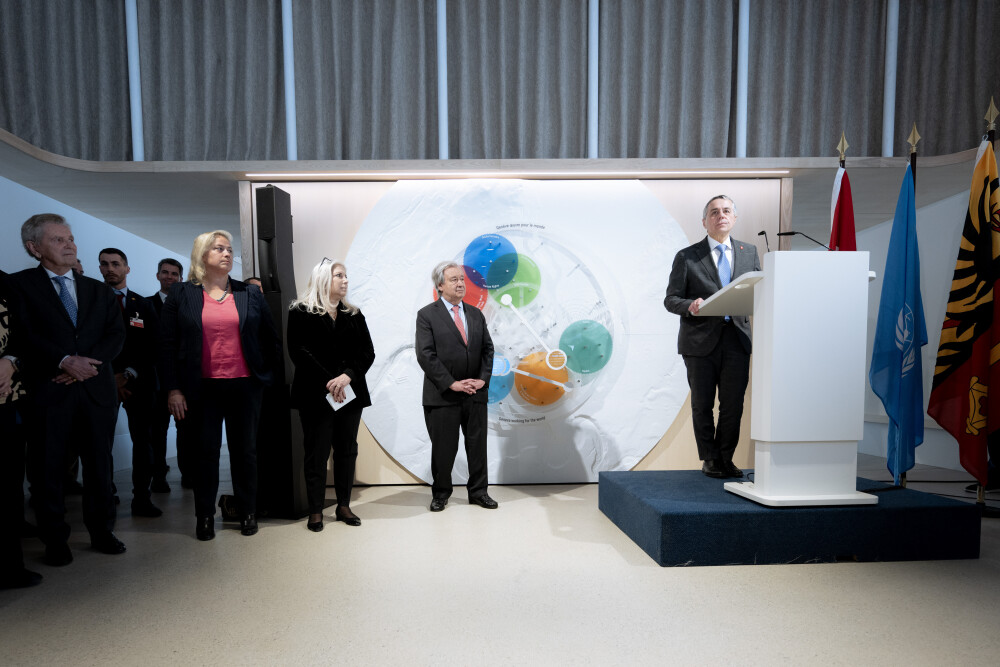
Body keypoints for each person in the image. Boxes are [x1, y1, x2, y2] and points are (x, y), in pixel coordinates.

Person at [9, 214, 126, 565]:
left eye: (70, 238)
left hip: (95, 390)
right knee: (48, 469)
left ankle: (102, 531)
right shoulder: (19, 286)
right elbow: (22, 334)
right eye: (58, 239)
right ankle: (55, 539)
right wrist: (62, 361)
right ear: (34, 248)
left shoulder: (99, 290)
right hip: (48, 391)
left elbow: (116, 334)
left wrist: (84, 366)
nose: (69, 245)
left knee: (99, 466)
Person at [159, 230, 279, 540]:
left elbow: (270, 338)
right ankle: (204, 516)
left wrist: (265, 377)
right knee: (205, 454)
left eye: (229, 249)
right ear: (202, 255)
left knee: (245, 452)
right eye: (218, 249)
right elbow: (167, 345)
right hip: (201, 388)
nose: (227, 254)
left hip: (245, 386)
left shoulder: (249, 293)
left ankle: (248, 511)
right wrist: (174, 388)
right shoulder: (181, 293)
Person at [665, 195, 761, 479]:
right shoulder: (687, 256)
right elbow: (671, 299)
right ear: (704, 221)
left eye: (726, 211)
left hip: (737, 340)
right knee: (702, 404)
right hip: (699, 343)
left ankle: (725, 458)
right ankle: (709, 458)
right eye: (715, 212)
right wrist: (690, 305)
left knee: (733, 405)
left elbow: (759, 289)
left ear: (734, 218)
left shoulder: (749, 252)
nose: (721, 216)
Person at [287, 259, 375, 532]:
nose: (345, 280)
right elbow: (299, 352)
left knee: (347, 451)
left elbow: (367, 352)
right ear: (324, 279)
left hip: (350, 392)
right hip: (315, 394)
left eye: (346, 275)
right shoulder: (300, 311)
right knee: (317, 452)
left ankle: (343, 505)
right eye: (339, 275)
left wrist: (347, 376)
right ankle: (316, 510)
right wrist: (330, 381)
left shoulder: (354, 314)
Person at [415, 261, 497, 512]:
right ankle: (441, 494)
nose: (461, 283)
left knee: (477, 446)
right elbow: (425, 355)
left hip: (474, 392)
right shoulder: (427, 315)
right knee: (444, 448)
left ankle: (479, 492)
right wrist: (452, 383)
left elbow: (488, 350)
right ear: (440, 285)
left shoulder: (475, 314)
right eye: (454, 279)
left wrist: (482, 379)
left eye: (462, 279)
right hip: (443, 395)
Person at [98, 248, 162, 518]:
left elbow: (154, 344)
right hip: (102, 382)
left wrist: (128, 373)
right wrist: (110, 377)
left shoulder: (142, 304)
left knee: (143, 442)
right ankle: (106, 494)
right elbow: (88, 342)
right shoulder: (92, 301)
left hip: (139, 382)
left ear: (127, 268)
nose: (110, 269)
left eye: (116, 264)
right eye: (104, 264)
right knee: (100, 443)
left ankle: (142, 498)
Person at [0, 270, 42, 589]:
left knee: (7, 484)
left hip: (5, 398)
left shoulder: (7, 284)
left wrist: (11, 360)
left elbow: (29, 332)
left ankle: (8, 567)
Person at [148, 257, 187, 491]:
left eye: (174, 274)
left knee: (186, 430)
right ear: (158, 275)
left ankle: (188, 473)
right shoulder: (145, 304)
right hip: (154, 381)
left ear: (180, 278)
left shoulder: (188, 307)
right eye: (165, 272)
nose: (169, 277)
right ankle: (158, 476)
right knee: (157, 431)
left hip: (182, 380)